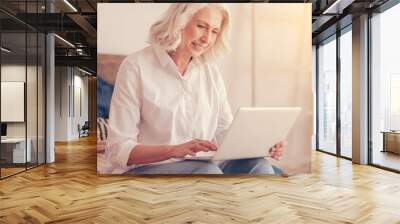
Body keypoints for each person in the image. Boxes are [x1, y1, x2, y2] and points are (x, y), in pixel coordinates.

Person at [105, 3, 286, 174]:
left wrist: (261, 144)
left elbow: (224, 131)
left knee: (259, 166)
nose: (207, 39)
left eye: (214, 31)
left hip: (205, 163)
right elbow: (118, 149)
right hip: (151, 168)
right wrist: (174, 150)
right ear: (179, 23)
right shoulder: (136, 66)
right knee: (207, 172)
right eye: (201, 26)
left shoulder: (210, 71)